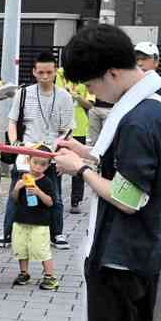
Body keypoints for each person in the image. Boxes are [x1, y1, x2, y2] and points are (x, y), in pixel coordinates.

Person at [56, 24, 161, 321]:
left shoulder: (140, 117)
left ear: (109, 73)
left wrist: (79, 170)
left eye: (89, 84)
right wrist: (87, 153)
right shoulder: (150, 104)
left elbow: (129, 194)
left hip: (119, 254)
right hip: (139, 252)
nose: (90, 93)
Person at [0, 52, 74, 250]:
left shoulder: (64, 96)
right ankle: (7, 234)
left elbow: (68, 129)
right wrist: (15, 143)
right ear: (34, 72)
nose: (45, 76)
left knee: (54, 195)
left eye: (49, 72)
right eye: (41, 72)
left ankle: (57, 233)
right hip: (26, 153)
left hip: (52, 154)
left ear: (56, 71)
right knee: (17, 192)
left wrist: (59, 150)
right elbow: (12, 121)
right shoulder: (24, 93)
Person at [10, 148, 58, 290]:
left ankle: (50, 276)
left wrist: (38, 192)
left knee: (41, 249)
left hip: (39, 222)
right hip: (21, 219)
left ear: (48, 166)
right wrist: (17, 189)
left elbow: (50, 202)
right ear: (28, 160)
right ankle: (24, 273)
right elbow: (15, 199)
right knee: (21, 248)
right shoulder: (23, 178)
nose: (38, 167)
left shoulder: (47, 182)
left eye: (43, 164)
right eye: (35, 162)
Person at [56, 67, 93, 213]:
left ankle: (76, 201)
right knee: (57, 163)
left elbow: (90, 104)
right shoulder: (58, 74)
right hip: (59, 128)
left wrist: (77, 96)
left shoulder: (86, 77)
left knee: (78, 166)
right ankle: (56, 198)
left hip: (78, 127)